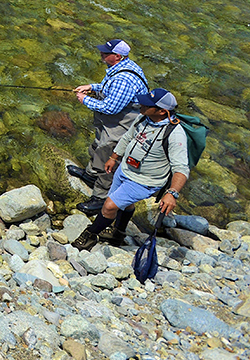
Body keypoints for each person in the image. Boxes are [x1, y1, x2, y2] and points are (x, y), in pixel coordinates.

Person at [72, 88, 189, 250]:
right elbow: (128, 137)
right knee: (125, 204)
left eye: (147, 104)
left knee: (109, 206)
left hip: (144, 181)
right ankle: (118, 233)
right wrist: (114, 157)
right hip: (124, 169)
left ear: (162, 111)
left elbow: (181, 168)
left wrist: (172, 193)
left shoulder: (176, 135)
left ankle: (89, 236)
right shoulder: (143, 117)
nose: (141, 104)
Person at [69, 39, 148, 214]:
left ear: (117, 56)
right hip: (114, 118)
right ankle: (90, 175)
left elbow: (111, 108)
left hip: (122, 121)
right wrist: (92, 87)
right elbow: (109, 89)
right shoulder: (122, 67)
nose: (102, 54)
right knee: (99, 145)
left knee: (109, 155)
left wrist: (85, 100)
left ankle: (101, 197)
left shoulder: (124, 79)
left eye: (106, 52)